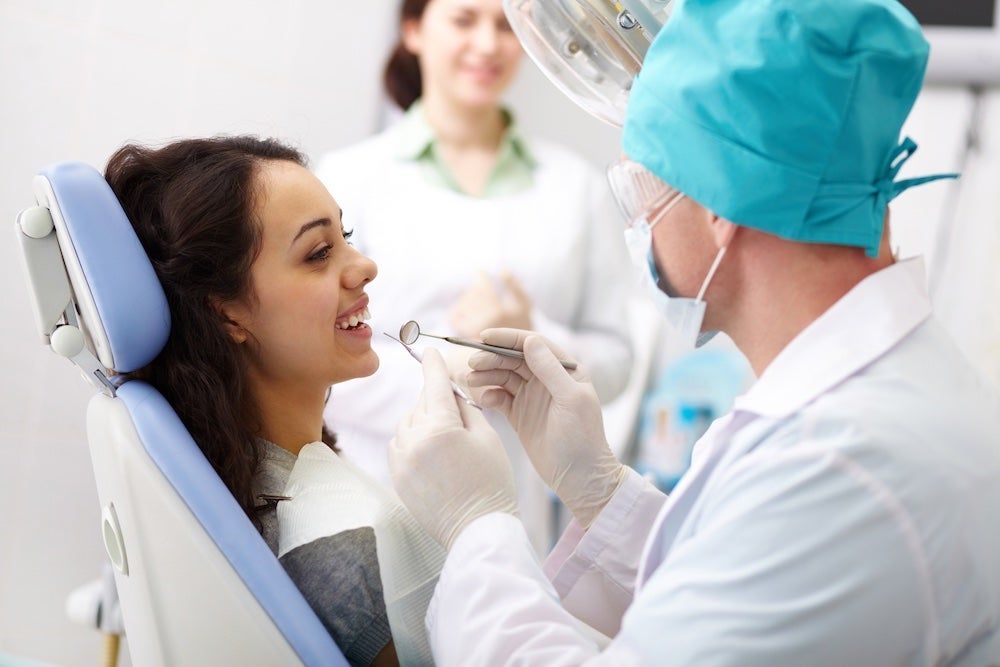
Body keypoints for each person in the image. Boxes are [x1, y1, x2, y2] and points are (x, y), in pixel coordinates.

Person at [387, 0, 1000, 664]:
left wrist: (475, 524)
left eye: (641, 186)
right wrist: (597, 485)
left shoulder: (840, 465)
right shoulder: (881, 399)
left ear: (719, 203)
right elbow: (737, 598)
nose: (640, 221)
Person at [104, 136, 442, 667]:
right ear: (227, 315)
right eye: (319, 253)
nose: (364, 266)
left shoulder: (258, 488)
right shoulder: (345, 540)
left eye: (345, 235)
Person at [316, 0, 633, 537]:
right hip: (374, 496)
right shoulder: (350, 177)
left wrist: (534, 337)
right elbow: (314, 363)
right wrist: (450, 373)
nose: (488, 44)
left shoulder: (575, 187)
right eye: (464, 19)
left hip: (515, 509)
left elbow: (618, 363)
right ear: (414, 30)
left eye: (506, 25)